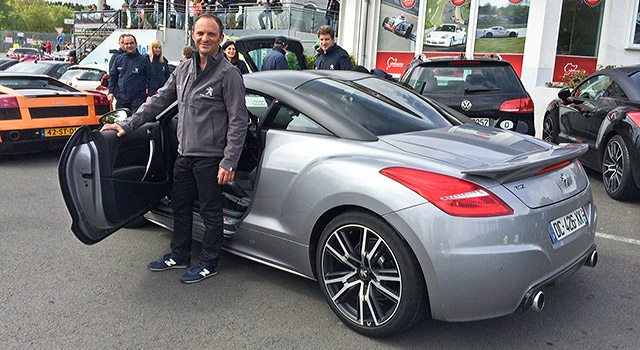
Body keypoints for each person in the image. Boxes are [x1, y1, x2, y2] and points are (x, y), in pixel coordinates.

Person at [101, 14, 248, 284]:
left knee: (210, 211)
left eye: (211, 34)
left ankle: (209, 261)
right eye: (200, 33)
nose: (205, 38)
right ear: (193, 35)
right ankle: (179, 254)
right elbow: (158, 102)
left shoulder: (229, 75)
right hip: (185, 154)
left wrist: (229, 161)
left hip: (210, 157)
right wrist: (129, 125)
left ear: (221, 38)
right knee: (180, 206)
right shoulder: (182, 69)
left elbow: (239, 121)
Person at [107, 34, 158, 113]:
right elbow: (112, 77)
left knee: (135, 122)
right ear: (123, 45)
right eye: (126, 44)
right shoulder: (118, 59)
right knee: (120, 123)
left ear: (136, 44)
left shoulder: (143, 60)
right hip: (121, 99)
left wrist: (150, 95)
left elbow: (152, 78)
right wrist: (110, 92)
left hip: (138, 99)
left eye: (131, 43)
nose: (129, 45)